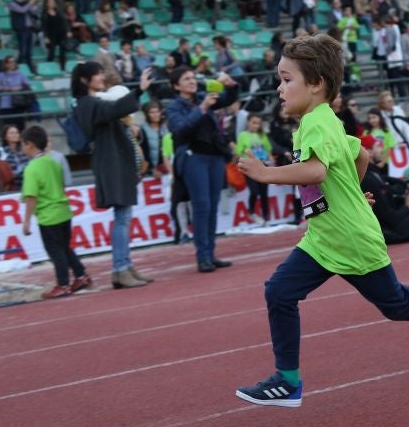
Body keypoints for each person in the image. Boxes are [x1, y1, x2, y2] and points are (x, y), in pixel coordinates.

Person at [233, 34, 409, 408]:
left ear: (315, 84)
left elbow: (315, 171)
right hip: (324, 237)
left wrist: (265, 173)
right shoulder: (318, 121)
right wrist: (350, 190)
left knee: (397, 305)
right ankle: (288, 380)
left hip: (350, 239)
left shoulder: (316, 123)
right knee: (279, 292)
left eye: (286, 79)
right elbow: (358, 154)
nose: (279, 88)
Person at [72, 61, 154, 289]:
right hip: (112, 165)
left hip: (116, 163)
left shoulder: (92, 102)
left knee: (124, 218)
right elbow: (115, 109)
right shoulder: (88, 103)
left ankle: (125, 266)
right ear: (84, 80)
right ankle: (119, 268)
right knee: (122, 218)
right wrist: (139, 90)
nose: (102, 78)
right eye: (97, 75)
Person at [165, 68, 239, 273]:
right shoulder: (173, 108)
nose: (191, 81)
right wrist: (203, 107)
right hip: (193, 158)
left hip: (214, 157)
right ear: (176, 86)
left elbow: (227, 98)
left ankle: (210, 254)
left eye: (192, 77)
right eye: (185, 78)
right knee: (202, 207)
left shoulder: (201, 96)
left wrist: (231, 85)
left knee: (212, 206)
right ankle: (202, 257)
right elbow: (180, 129)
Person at [20, 125, 91, 300]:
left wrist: (26, 221)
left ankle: (63, 284)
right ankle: (81, 275)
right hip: (63, 211)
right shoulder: (53, 161)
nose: (22, 148)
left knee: (55, 251)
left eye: (23, 144)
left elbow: (31, 196)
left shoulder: (32, 168)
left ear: (30, 144)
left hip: (48, 215)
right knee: (65, 247)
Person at [236, 112, 274, 225]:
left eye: (258, 123)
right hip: (250, 168)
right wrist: (245, 162)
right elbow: (238, 152)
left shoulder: (262, 135)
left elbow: (268, 149)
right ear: (248, 122)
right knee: (254, 191)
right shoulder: (243, 135)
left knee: (264, 193)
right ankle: (251, 212)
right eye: (253, 123)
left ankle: (266, 218)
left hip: (263, 166)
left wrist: (271, 159)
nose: (256, 125)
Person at [0, 57, 33, 130]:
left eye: (14, 61)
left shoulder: (20, 74)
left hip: (18, 103)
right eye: (10, 62)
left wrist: (19, 87)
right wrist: (6, 88)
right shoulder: (1, 74)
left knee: (20, 126)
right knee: (9, 127)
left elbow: (27, 84)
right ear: (6, 64)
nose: (12, 63)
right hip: (6, 103)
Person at [9, 0, 40, 75]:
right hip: (21, 29)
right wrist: (31, 2)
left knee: (28, 51)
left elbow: (34, 12)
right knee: (22, 51)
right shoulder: (12, 4)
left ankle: (30, 68)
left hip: (29, 29)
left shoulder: (25, 3)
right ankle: (17, 67)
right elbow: (22, 10)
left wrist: (36, 3)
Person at [0, 124, 30, 190]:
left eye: (17, 132)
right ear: (5, 137)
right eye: (11, 133)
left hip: (26, 186)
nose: (15, 135)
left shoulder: (25, 150)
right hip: (8, 190)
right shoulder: (0, 151)